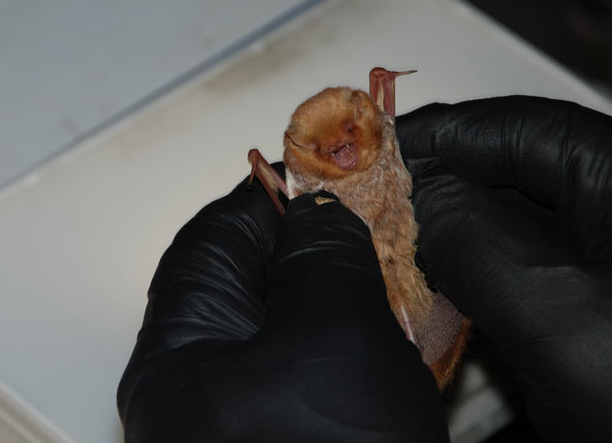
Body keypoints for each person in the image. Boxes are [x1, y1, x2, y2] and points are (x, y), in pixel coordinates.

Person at [117, 96, 612, 442]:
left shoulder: (387, 146)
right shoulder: (309, 187)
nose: (345, 152)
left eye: (350, 135)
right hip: (392, 317)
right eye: (327, 150)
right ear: (304, 157)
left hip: (422, 296)